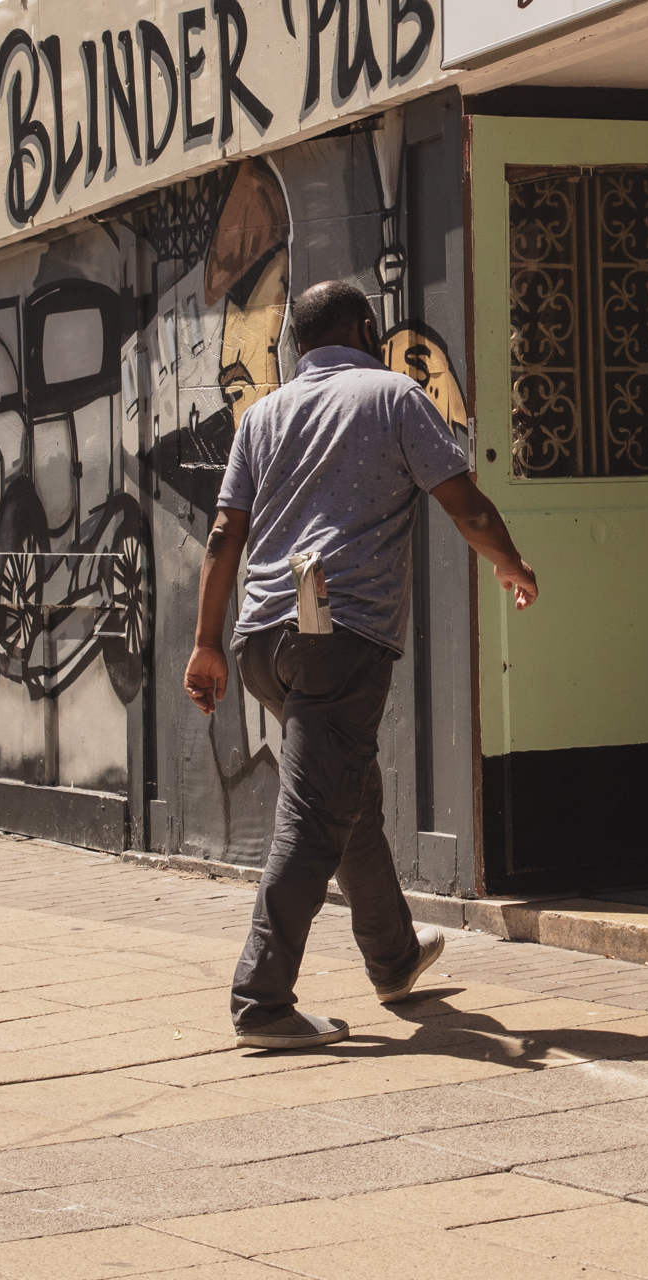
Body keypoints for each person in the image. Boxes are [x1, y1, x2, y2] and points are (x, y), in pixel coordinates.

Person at [186, 280, 538, 1050]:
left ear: (297, 343)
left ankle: (393, 956)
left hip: (260, 643)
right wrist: (510, 564)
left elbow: (222, 536)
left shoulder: (264, 414)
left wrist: (208, 642)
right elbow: (464, 503)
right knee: (315, 816)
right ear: (366, 327)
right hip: (337, 638)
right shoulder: (392, 396)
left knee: (347, 794)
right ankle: (262, 1000)